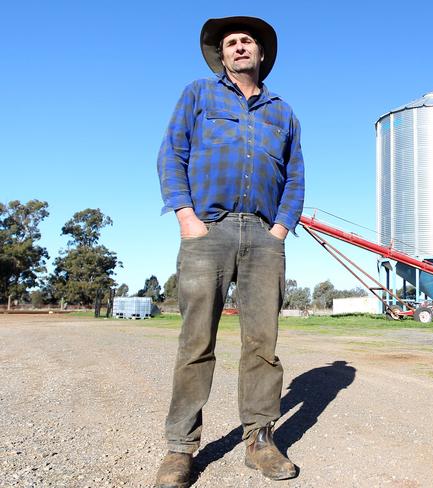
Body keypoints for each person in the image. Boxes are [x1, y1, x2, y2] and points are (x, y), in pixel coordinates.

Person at [154, 16, 304, 487]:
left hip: (264, 237)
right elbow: (171, 154)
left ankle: (259, 440)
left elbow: (295, 177)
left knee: (263, 345)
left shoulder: (283, 111)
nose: (239, 47)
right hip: (208, 232)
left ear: (261, 55)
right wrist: (186, 217)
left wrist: (280, 229)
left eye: (247, 42)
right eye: (231, 43)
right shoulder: (198, 94)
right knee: (196, 341)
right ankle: (181, 449)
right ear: (222, 55)